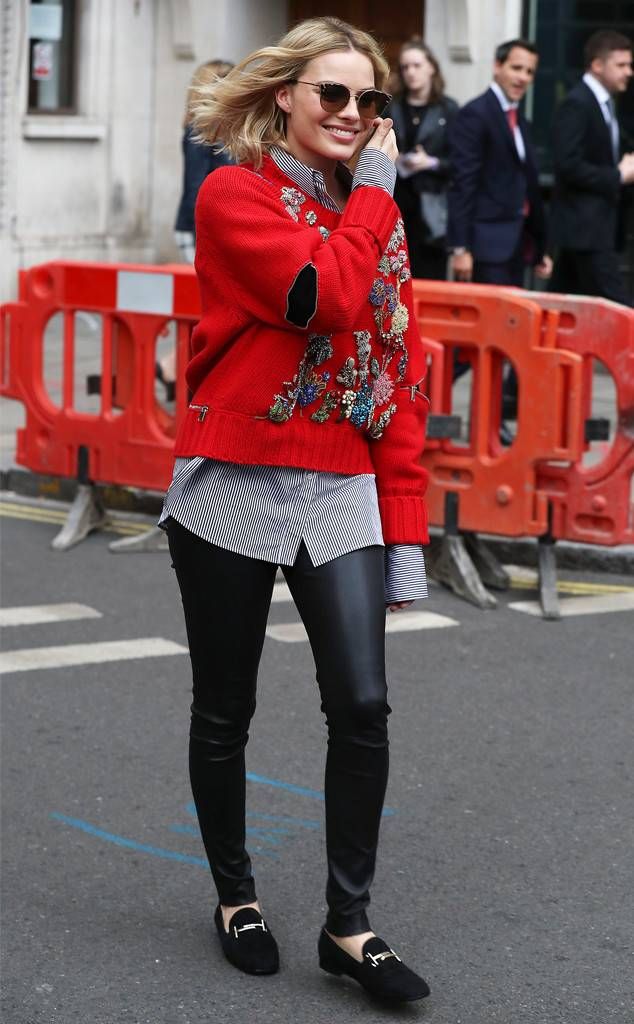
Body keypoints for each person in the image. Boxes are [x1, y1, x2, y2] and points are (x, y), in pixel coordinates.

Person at [159, 15, 431, 1004]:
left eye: (372, 101)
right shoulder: (235, 194)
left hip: (342, 481)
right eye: (334, 95)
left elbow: (396, 370)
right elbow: (322, 297)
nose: (355, 114)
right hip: (234, 476)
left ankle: (348, 925)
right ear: (285, 97)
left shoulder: (378, 214)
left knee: (363, 702)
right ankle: (237, 898)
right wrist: (371, 202)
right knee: (226, 708)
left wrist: (405, 534)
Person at [446, 39, 552, 419]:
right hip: (484, 248)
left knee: (505, 343)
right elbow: (463, 184)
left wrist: (539, 248)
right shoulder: (477, 114)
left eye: (529, 72)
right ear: (498, 66)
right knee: (471, 346)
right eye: (517, 68)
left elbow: (527, 187)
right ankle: (415, 407)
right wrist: (460, 247)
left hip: (515, 246)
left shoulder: (519, 120)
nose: (522, 78)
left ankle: (488, 425)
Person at [157, 60, 235, 399]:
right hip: (196, 228)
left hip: (202, 227)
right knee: (209, 306)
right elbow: (195, 188)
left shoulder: (216, 128)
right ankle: (173, 365)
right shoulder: (200, 129)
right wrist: (207, 233)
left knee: (207, 305)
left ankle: (174, 367)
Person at [549, 30, 634, 307]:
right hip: (585, 231)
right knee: (619, 308)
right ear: (597, 65)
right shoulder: (577, 103)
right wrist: (619, 175)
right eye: (621, 65)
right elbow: (567, 165)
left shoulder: (604, 104)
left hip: (592, 230)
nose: (628, 72)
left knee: (562, 308)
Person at [386, 39, 458, 280]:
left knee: (429, 278)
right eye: (405, 67)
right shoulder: (392, 107)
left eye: (416, 65)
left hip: (432, 209)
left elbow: (460, 162)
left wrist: (431, 163)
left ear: (431, 68)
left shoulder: (448, 109)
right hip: (396, 201)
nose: (410, 72)